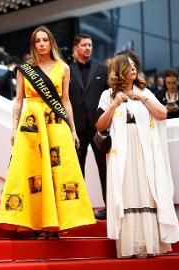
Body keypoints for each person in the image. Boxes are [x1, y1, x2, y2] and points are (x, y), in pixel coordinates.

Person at [0, 26, 96, 239]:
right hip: (32, 125)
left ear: (51, 43)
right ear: (33, 45)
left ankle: (56, 224)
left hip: (56, 123)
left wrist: (74, 130)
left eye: (45, 40)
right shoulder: (24, 69)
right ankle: (36, 223)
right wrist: (14, 129)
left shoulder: (63, 68)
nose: (41, 44)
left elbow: (66, 101)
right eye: (37, 41)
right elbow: (18, 101)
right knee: (33, 173)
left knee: (58, 172)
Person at [96, 54, 179, 258]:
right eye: (130, 66)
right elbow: (100, 125)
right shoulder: (108, 95)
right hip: (121, 153)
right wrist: (115, 104)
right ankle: (129, 246)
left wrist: (142, 99)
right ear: (120, 70)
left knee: (147, 190)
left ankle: (150, 244)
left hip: (144, 151)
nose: (134, 69)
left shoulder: (144, 91)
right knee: (126, 192)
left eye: (135, 66)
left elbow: (162, 114)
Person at [69, 33, 109, 220]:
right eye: (84, 45)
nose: (88, 48)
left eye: (90, 45)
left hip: (99, 128)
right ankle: (78, 209)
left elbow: (109, 96)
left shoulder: (103, 69)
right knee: (76, 169)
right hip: (76, 128)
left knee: (105, 168)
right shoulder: (66, 70)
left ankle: (109, 207)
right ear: (76, 47)